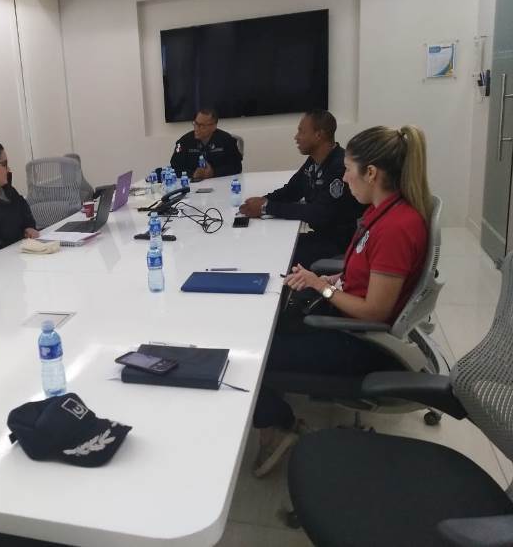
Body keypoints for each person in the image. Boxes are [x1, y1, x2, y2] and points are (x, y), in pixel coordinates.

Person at [252, 125, 432, 478]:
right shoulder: (383, 212)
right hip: (349, 322)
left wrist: (324, 289)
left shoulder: (395, 228)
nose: (345, 178)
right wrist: (327, 280)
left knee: (256, 356)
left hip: (362, 341)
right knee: (265, 324)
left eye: (349, 170)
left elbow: (376, 310)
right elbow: (363, 273)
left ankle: (283, 425)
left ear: (371, 173)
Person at [240, 110, 364, 268]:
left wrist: (266, 207)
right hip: (321, 236)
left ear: (318, 135)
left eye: (301, 132)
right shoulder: (314, 161)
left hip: (338, 243)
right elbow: (291, 191)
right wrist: (262, 201)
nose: (296, 137)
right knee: (270, 242)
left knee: (275, 254)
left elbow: (319, 213)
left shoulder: (339, 167)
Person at [170, 108, 242, 180]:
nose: (197, 128)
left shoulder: (227, 140)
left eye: (202, 125)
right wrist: (193, 174)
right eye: (195, 123)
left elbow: (237, 166)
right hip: (192, 183)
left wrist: (214, 173)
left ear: (214, 126)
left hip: (220, 182)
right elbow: (174, 167)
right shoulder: (183, 142)